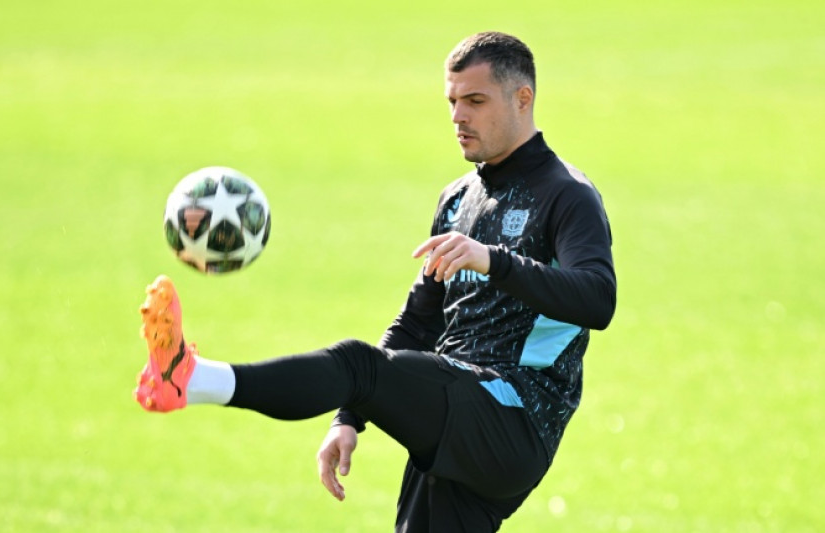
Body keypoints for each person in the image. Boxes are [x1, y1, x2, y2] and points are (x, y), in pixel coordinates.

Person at [134, 31, 616, 532]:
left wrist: (494, 261)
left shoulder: (568, 196)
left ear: (523, 98)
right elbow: (417, 323)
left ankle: (194, 379)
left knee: (357, 364)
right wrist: (349, 416)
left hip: (515, 415)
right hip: (456, 407)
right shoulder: (457, 199)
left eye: (475, 101)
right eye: (452, 102)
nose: (458, 116)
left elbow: (599, 299)